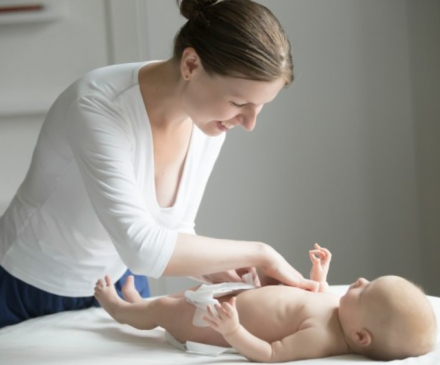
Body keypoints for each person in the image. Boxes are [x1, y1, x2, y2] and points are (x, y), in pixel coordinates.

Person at [0, 0, 318, 329]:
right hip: (28, 288)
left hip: (121, 285)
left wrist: (222, 274)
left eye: (260, 106)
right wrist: (260, 253)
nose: (249, 123)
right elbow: (142, 247)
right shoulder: (98, 107)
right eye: (239, 103)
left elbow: (172, 230)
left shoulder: (209, 119)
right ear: (191, 65)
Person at [94, 244, 437, 363]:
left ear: (361, 337)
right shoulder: (339, 309)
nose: (359, 282)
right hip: (235, 296)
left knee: (165, 313)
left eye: (366, 291)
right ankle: (139, 301)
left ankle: (121, 310)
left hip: (216, 322)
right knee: (174, 299)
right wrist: (320, 272)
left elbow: (270, 354)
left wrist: (234, 330)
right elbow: (314, 293)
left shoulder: (322, 337)